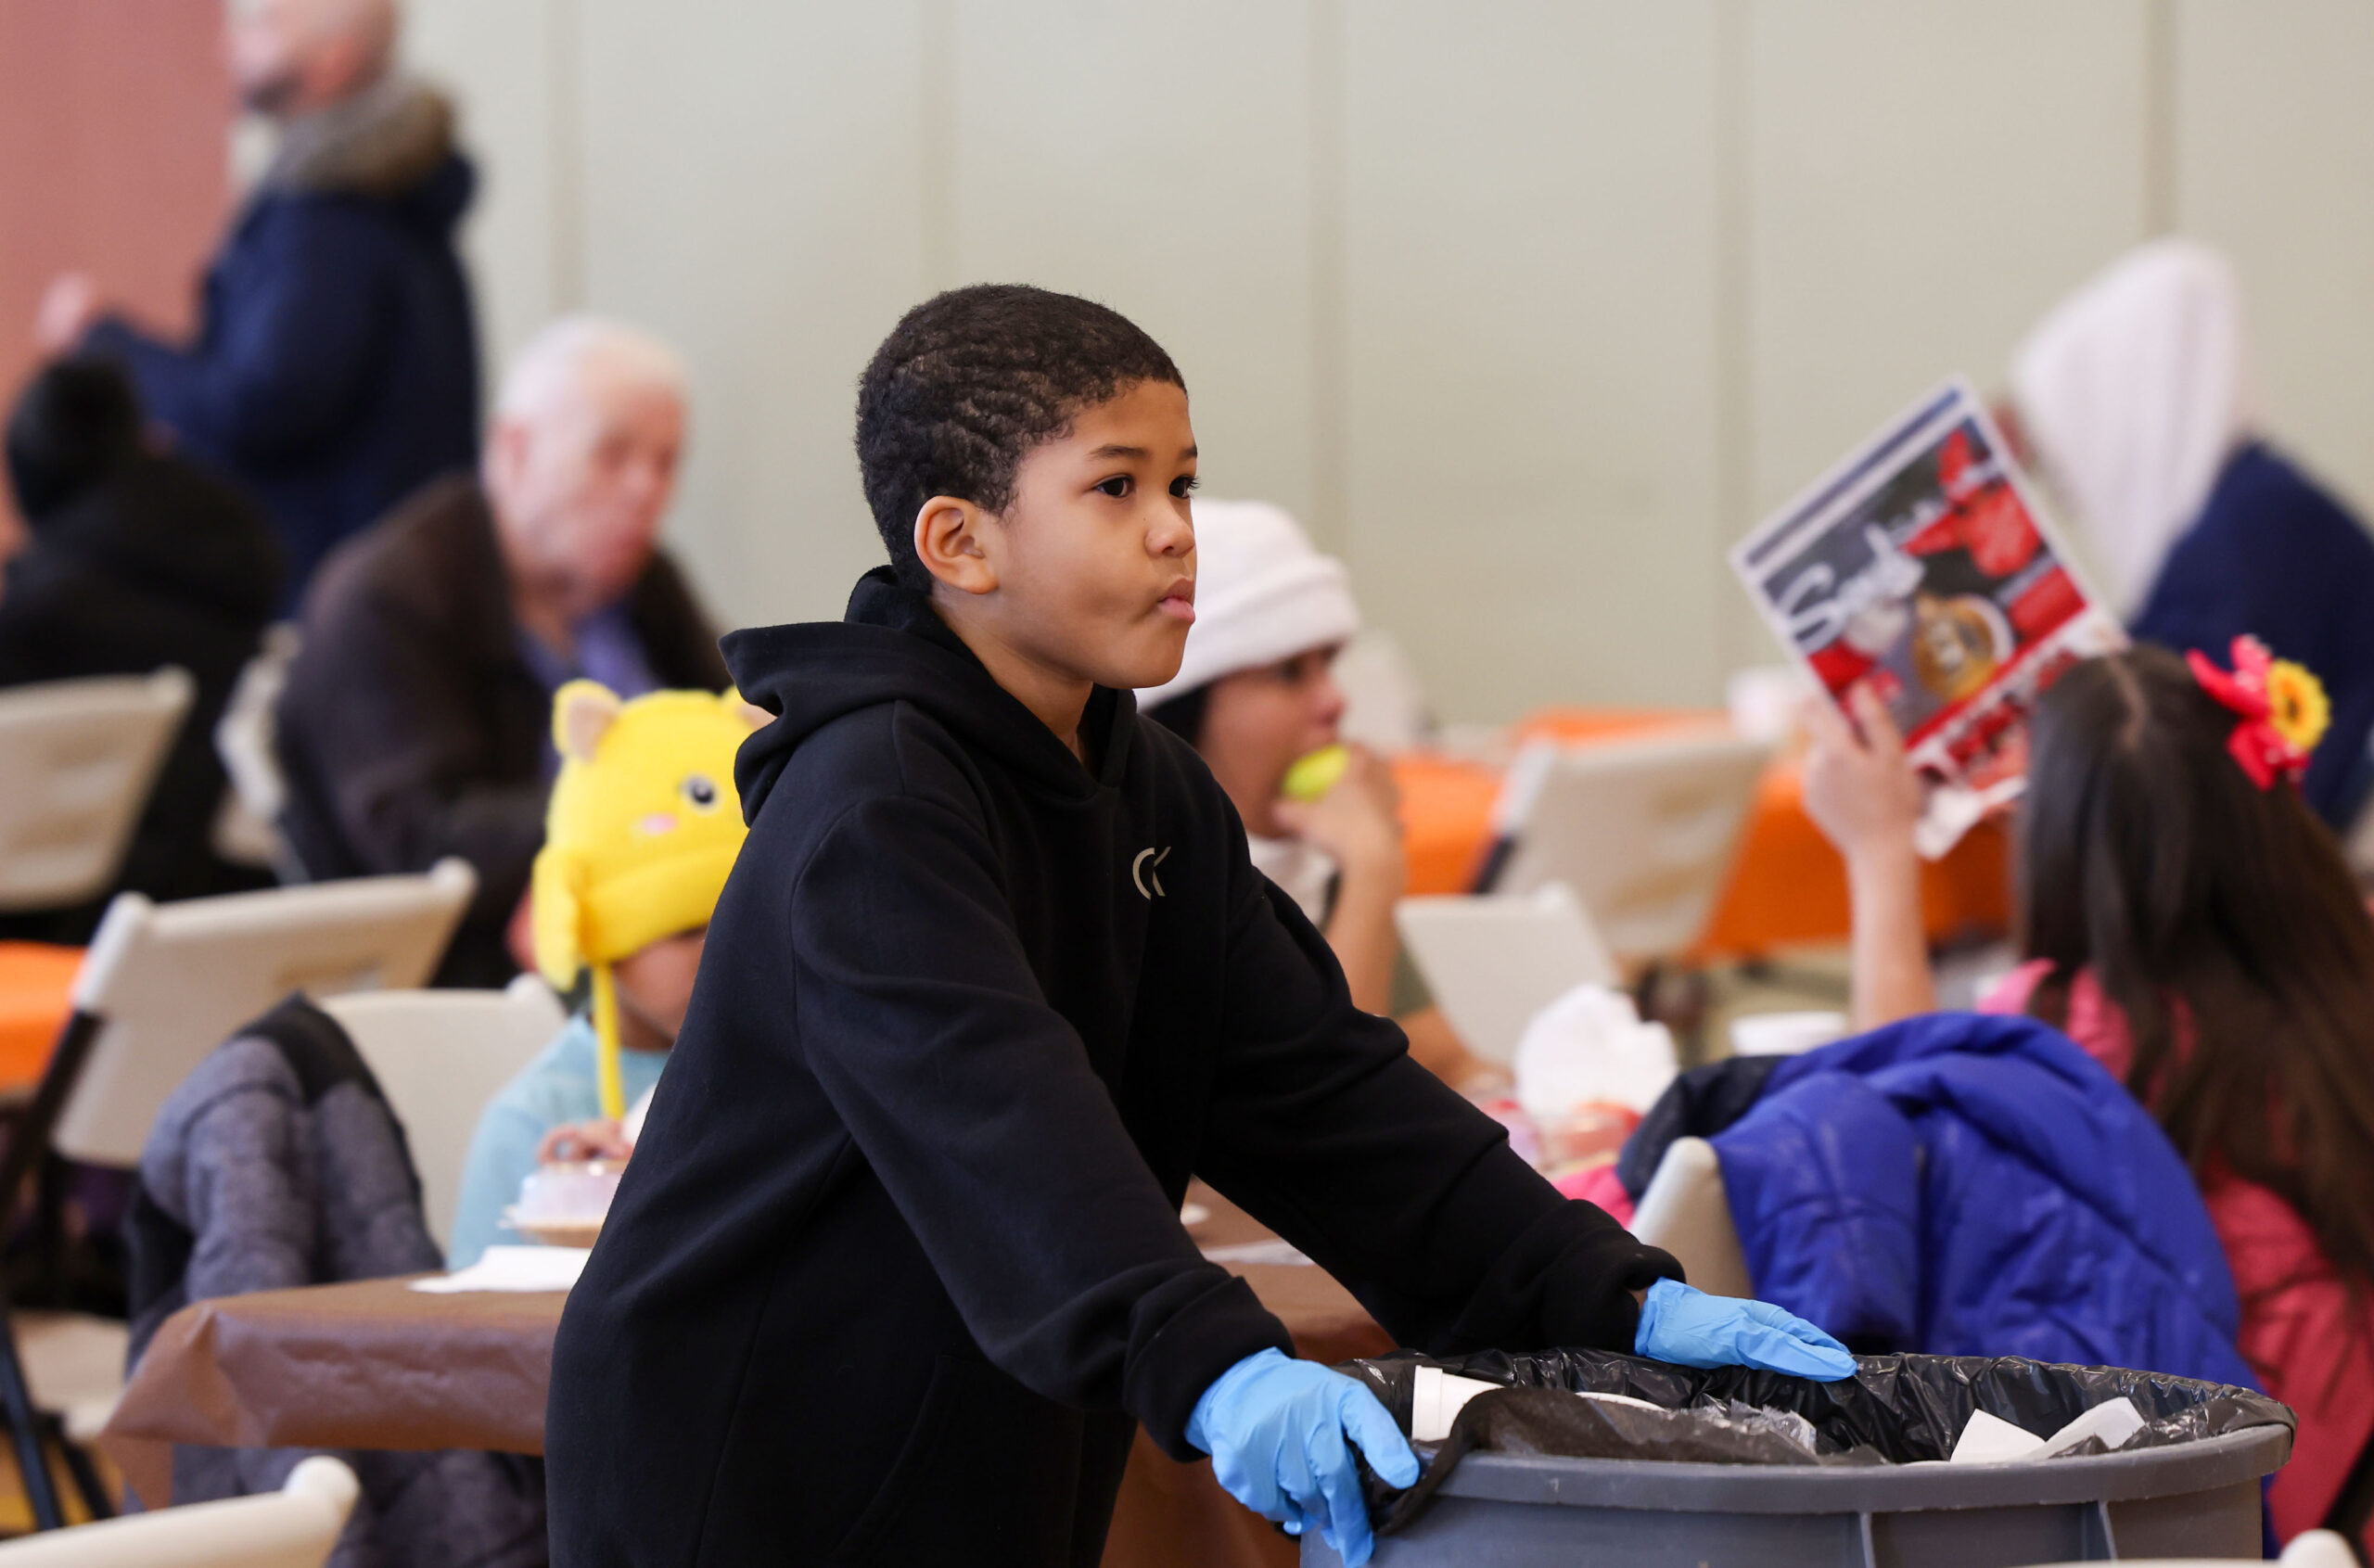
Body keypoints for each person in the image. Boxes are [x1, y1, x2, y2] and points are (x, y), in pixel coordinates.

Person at [544, 285, 1853, 1568]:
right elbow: (1000, 1117)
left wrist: (1603, 1291)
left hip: (979, 1441)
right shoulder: (871, 800)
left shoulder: (1146, 786)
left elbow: (1322, 1092)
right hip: (748, 1462)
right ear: (959, 543)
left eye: (1181, 482)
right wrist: (1214, 1364)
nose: (1177, 530)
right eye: (1116, 487)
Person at [1803, 644, 2374, 1551]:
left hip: (2212, 1512)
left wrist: (1879, 854)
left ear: (2056, 841)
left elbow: (1886, 1113)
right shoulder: (2348, 988)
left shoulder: (2064, 1024)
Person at [275, 316, 726, 988]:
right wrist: (639, 813)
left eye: (665, 462)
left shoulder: (640, 577)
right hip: (474, 971)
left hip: (672, 937)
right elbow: (425, 841)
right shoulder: (389, 598)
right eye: (612, 456)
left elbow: (734, 718)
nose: (646, 491)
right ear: (513, 452)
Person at [34, 0, 479, 604]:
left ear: (332, 61)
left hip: (328, 592)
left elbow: (265, 405)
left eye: (263, 24)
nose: (229, 43)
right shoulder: (393, 198)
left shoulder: (329, 220)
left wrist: (107, 342)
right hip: (393, 578)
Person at [2008, 238, 2374, 829]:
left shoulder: (2242, 547)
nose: (2072, 501)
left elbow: (2156, 774)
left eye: (2064, 466)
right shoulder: (2260, 510)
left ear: (2123, 424)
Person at [1139, 498, 1487, 1085]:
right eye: (1288, 673)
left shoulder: (1311, 864)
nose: (1335, 702)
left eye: (1328, 664)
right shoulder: (1145, 892)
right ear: (1183, 708)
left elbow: (1439, 1051)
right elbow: (1325, 1097)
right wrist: (1374, 869)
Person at [447, 680, 754, 1268]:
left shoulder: (803, 1072)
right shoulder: (534, 1125)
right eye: (686, 929)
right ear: (591, 931)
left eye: (748, 924)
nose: (725, 955)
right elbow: (477, 1334)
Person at [0, 358, 284, 937]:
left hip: (57, 932)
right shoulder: (242, 566)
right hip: (205, 916)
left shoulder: (38, 620)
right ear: (148, 440)